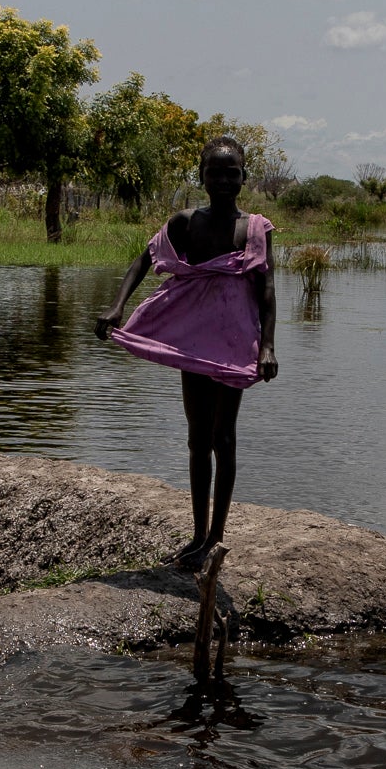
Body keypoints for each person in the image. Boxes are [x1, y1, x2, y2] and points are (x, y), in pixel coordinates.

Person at [95, 136, 279, 569]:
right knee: (198, 436)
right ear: (201, 177)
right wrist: (117, 305)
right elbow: (143, 261)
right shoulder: (185, 223)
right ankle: (197, 534)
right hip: (193, 341)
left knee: (224, 436)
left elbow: (267, 289)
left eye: (231, 171)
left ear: (243, 177)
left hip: (234, 345)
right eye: (214, 172)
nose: (223, 179)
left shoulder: (254, 228)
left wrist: (267, 346)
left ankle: (217, 534)